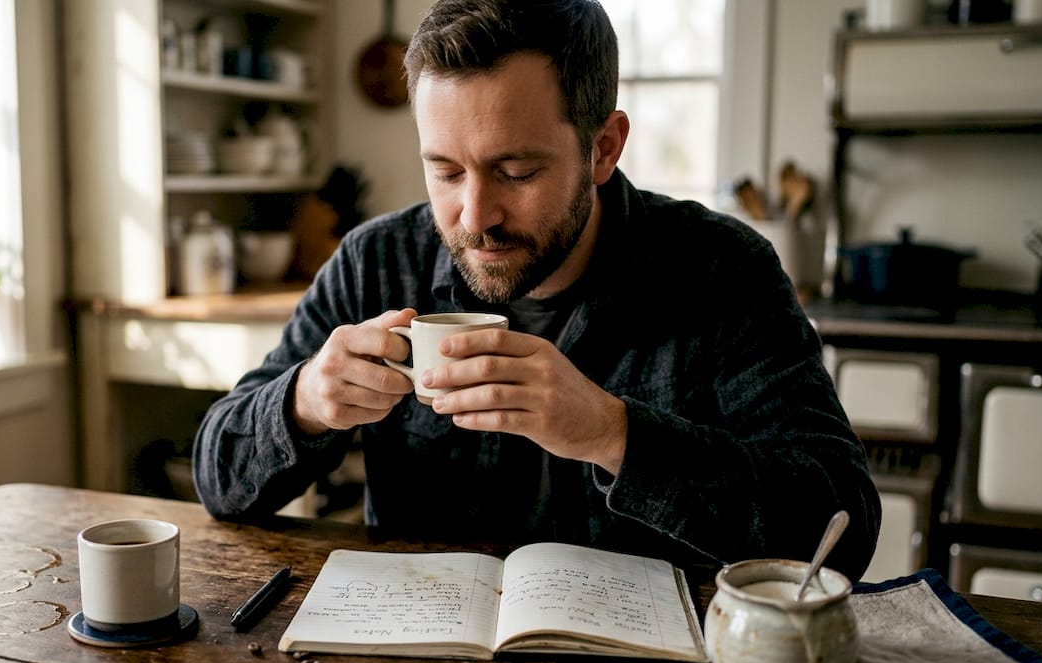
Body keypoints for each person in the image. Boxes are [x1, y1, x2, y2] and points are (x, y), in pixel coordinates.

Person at [194, 0, 880, 580]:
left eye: (516, 171)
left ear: (604, 147)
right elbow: (217, 474)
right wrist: (306, 400)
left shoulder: (720, 271)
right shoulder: (377, 261)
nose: (473, 216)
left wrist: (615, 434)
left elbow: (841, 528)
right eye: (445, 171)